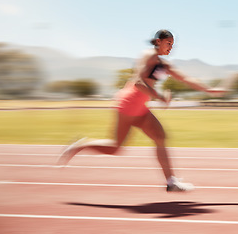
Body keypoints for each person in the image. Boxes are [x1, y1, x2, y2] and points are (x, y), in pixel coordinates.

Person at [58, 29, 226, 192]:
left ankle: (171, 182)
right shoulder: (149, 55)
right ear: (158, 42)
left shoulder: (163, 65)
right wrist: (159, 96)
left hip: (139, 108)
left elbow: (186, 79)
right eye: (168, 43)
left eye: (173, 45)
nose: (171, 47)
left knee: (159, 137)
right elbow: (139, 82)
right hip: (129, 105)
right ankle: (80, 145)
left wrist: (210, 90)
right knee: (116, 147)